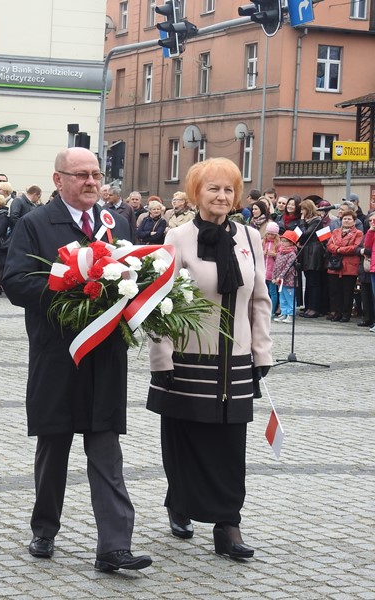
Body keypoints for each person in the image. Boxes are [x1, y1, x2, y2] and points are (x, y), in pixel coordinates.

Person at [2, 147, 152, 573]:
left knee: (106, 448)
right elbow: (15, 282)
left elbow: (136, 277)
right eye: (81, 174)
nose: (91, 182)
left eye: (96, 174)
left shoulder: (118, 223)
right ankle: (45, 528)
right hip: (58, 355)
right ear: (58, 179)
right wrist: (71, 288)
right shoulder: (35, 223)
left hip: (106, 356)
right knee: (54, 446)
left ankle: (114, 547)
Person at [147, 157, 273, 560]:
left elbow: (259, 299)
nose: (222, 196)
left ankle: (228, 525)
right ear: (196, 193)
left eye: (229, 189)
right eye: (213, 188)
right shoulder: (177, 236)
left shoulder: (249, 237)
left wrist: (262, 351)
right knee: (186, 439)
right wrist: (161, 358)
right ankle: (179, 501)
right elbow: (158, 301)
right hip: (188, 357)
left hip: (235, 359)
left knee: (231, 445)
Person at [325, 209, 363, 322]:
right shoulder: (335, 231)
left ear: (354, 221)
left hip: (349, 266)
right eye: (344, 219)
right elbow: (329, 245)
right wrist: (338, 249)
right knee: (335, 291)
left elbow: (354, 247)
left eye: (349, 219)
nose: (346, 221)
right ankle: (337, 312)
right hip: (335, 264)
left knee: (347, 291)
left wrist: (338, 249)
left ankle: (346, 314)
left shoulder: (358, 233)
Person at [296, 199, 326, 318]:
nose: (301, 212)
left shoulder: (316, 221)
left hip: (314, 253)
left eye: (303, 209)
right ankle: (308, 306)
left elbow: (304, 234)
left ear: (308, 209)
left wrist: (302, 222)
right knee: (309, 281)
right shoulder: (308, 221)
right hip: (308, 252)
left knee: (314, 282)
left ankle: (314, 308)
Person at [272, 230, 299, 323]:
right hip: (280, 281)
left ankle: (290, 314)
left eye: (285, 241)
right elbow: (276, 265)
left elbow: (288, 267)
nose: (283, 243)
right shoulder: (280, 252)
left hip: (289, 280)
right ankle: (284, 313)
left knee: (289, 297)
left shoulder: (292, 254)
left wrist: (280, 277)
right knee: (282, 297)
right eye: (282, 241)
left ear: (291, 243)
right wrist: (274, 276)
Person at [262, 221, 280, 319]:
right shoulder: (263, 242)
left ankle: (272, 311)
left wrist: (274, 255)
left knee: (273, 292)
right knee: (264, 291)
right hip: (263, 271)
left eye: (272, 234)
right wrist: (263, 253)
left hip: (272, 272)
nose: (270, 236)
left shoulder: (278, 244)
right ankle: (264, 310)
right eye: (268, 234)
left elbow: (281, 257)